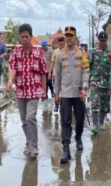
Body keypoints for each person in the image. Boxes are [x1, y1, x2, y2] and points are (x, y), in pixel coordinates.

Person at [6, 23, 48, 158]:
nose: (24, 39)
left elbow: (43, 72)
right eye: (22, 37)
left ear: (31, 37)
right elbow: (12, 68)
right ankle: (28, 142)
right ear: (20, 37)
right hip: (21, 91)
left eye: (27, 37)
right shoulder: (16, 53)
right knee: (24, 120)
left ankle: (34, 145)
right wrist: (10, 81)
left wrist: (44, 90)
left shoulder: (38, 52)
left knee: (31, 117)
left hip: (34, 91)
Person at [54, 26, 89, 163]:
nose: (69, 38)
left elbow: (86, 71)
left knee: (80, 119)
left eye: (71, 35)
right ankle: (66, 149)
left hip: (79, 92)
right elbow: (57, 75)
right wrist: (56, 92)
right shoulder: (59, 55)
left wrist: (85, 88)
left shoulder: (82, 54)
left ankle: (78, 137)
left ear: (75, 38)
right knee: (65, 120)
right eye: (67, 35)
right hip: (66, 93)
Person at [89, 31, 111, 134]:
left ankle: (101, 122)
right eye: (100, 40)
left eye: (104, 40)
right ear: (98, 41)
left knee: (104, 104)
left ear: (106, 40)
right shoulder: (93, 52)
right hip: (95, 82)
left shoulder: (110, 53)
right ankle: (94, 125)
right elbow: (89, 65)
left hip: (106, 82)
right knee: (94, 102)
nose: (102, 42)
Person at [49, 37, 65, 112]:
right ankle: (56, 105)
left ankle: (64, 105)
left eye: (62, 44)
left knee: (64, 90)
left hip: (65, 75)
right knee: (56, 90)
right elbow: (52, 63)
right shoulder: (55, 52)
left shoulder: (66, 51)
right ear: (58, 43)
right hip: (56, 74)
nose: (61, 45)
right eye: (60, 44)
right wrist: (50, 73)